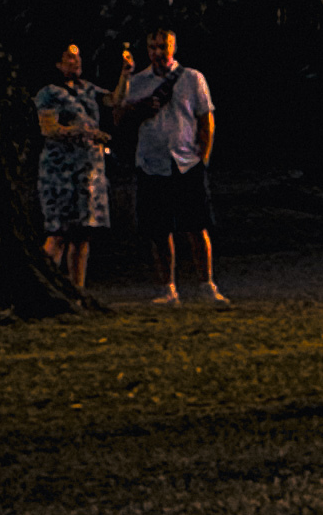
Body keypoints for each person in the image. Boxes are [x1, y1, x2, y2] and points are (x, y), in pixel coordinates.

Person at [116, 26, 220, 305]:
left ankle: (206, 283)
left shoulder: (191, 78)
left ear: (173, 48)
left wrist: (203, 155)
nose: (158, 53)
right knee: (159, 229)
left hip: (186, 159)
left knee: (196, 226)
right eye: (153, 47)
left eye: (163, 47)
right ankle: (168, 288)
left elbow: (205, 117)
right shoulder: (138, 82)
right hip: (151, 161)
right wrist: (136, 105)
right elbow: (119, 115)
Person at [32, 41, 114, 293]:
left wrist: (125, 73)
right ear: (58, 63)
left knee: (82, 234)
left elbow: (114, 99)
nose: (75, 61)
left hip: (87, 173)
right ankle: (45, 288)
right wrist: (83, 131)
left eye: (78, 57)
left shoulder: (88, 89)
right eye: (69, 57)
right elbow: (49, 128)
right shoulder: (50, 92)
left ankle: (76, 290)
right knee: (59, 232)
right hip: (60, 174)